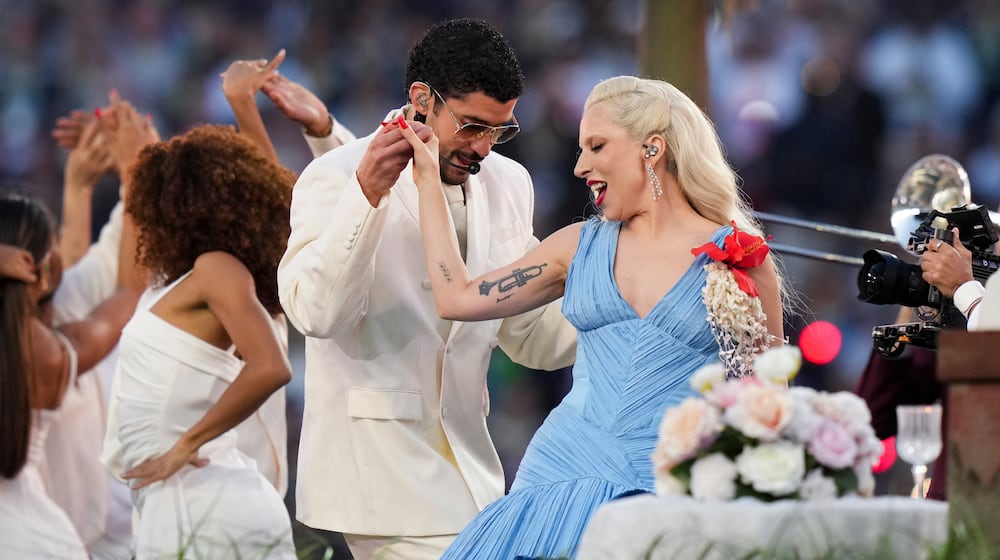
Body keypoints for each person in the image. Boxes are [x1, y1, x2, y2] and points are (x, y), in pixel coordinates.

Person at [396, 75, 785, 558]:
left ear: (652, 149)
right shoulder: (577, 246)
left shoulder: (740, 257)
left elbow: (769, 401)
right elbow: (456, 299)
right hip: (558, 478)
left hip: (677, 491)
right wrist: (427, 181)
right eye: (581, 150)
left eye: (597, 146)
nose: (580, 166)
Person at [277, 18, 577, 559]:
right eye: (470, 126)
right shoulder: (335, 177)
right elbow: (315, 314)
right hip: (377, 477)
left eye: (499, 130)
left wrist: (628, 302)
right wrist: (365, 198)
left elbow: (527, 335)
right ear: (422, 98)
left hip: (473, 472)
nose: (483, 147)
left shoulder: (511, 182)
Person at [102, 123, 298, 559]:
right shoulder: (173, 283)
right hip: (173, 502)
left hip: (205, 501)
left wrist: (187, 444)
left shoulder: (218, 268)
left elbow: (271, 366)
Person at [0, 191, 144, 559]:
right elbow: (129, 290)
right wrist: (135, 179)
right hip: (40, 538)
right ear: (44, 273)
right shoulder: (46, 353)